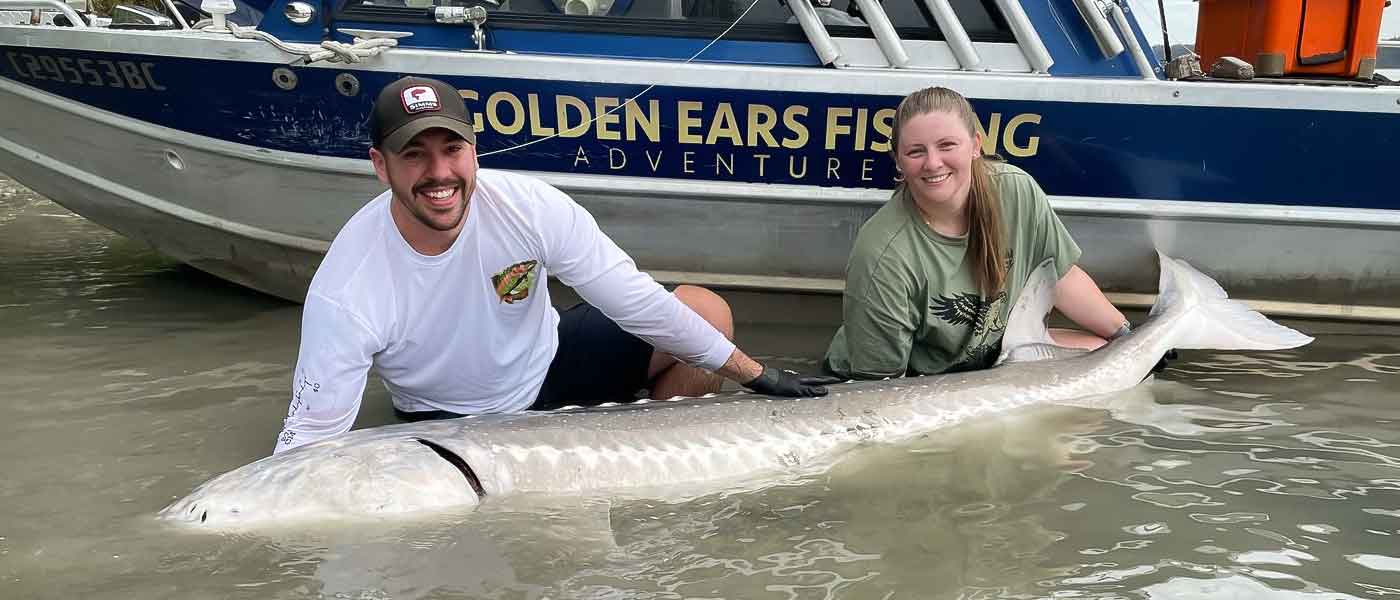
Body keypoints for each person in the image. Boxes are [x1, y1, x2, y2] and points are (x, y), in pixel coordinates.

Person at [275, 76, 833, 454]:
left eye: (452, 149)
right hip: (447, 421)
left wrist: (756, 374)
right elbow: (310, 438)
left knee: (706, 312)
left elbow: (635, 300)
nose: (439, 172)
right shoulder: (348, 284)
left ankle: (650, 454)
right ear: (380, 166)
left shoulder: (527, 205)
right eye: (414, 154)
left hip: (549, 362)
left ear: (474, 150)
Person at [823, 86, 1134, 380]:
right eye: (916, 152)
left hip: (992, 359)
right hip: (919, 381)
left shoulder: (1016, 189)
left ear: (975, 145)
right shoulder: (882, 253)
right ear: (899, 162)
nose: (933, 163)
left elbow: (1059, 276)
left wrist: (1127, 336)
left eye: (947, 145)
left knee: (1111, 358)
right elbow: (883, 388)